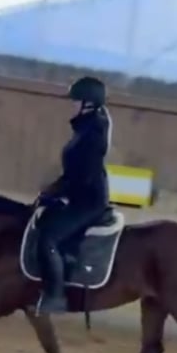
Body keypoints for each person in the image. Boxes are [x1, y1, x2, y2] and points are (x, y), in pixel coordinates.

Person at [34, 76, 112, 315]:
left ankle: (55, 295)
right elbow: (73, 172)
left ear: (88, 103)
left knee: (48, 237)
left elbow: (85, 175)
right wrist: (52, 191)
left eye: (75, 100)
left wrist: (62, 194)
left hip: (88, 201)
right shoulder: (85, 127)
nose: (72, 105)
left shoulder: (93, 132)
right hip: (81, 195)